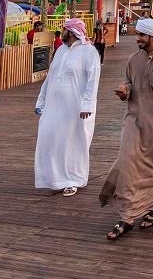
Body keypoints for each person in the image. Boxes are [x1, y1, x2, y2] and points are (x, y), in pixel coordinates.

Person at [99, 18, 153, 241]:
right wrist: (125, 90)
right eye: (137, 35)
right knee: (127, 162)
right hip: (134, 120)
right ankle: (127, 215)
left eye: (142, 36)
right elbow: (130, 83)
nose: (138, 39)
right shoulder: (133, 60)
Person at [34, 19, 102, 198]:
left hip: (77, 108)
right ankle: (55, 179)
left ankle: (73, 180)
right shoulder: (60, 50)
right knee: (50, 137)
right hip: (54, 106)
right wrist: (41, 101)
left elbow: (93, 82)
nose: (62, 32)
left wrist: (87, 105)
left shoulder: (89, 52)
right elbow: (50, 77)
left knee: (73, 143)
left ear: (72, 32)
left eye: (64, 29)